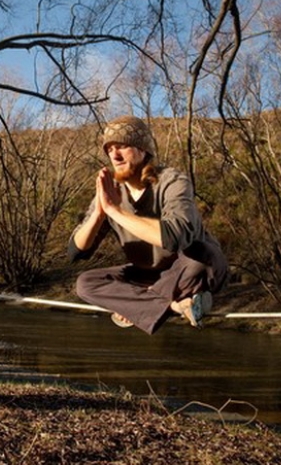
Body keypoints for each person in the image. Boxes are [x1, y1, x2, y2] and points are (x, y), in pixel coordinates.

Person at [68, 115, 228, 334]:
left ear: (143, 150)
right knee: (86, 283)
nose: (114, 155)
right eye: (109, 149)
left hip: (191, 268)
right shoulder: (109, 192)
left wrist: (115, 211)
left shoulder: (172, 181)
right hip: (148, 276)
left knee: (201, 255)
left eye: (122, 146)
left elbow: (173, 237)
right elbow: (76, 252)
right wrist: (99, 213)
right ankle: (175, 305)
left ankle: (142, 304)